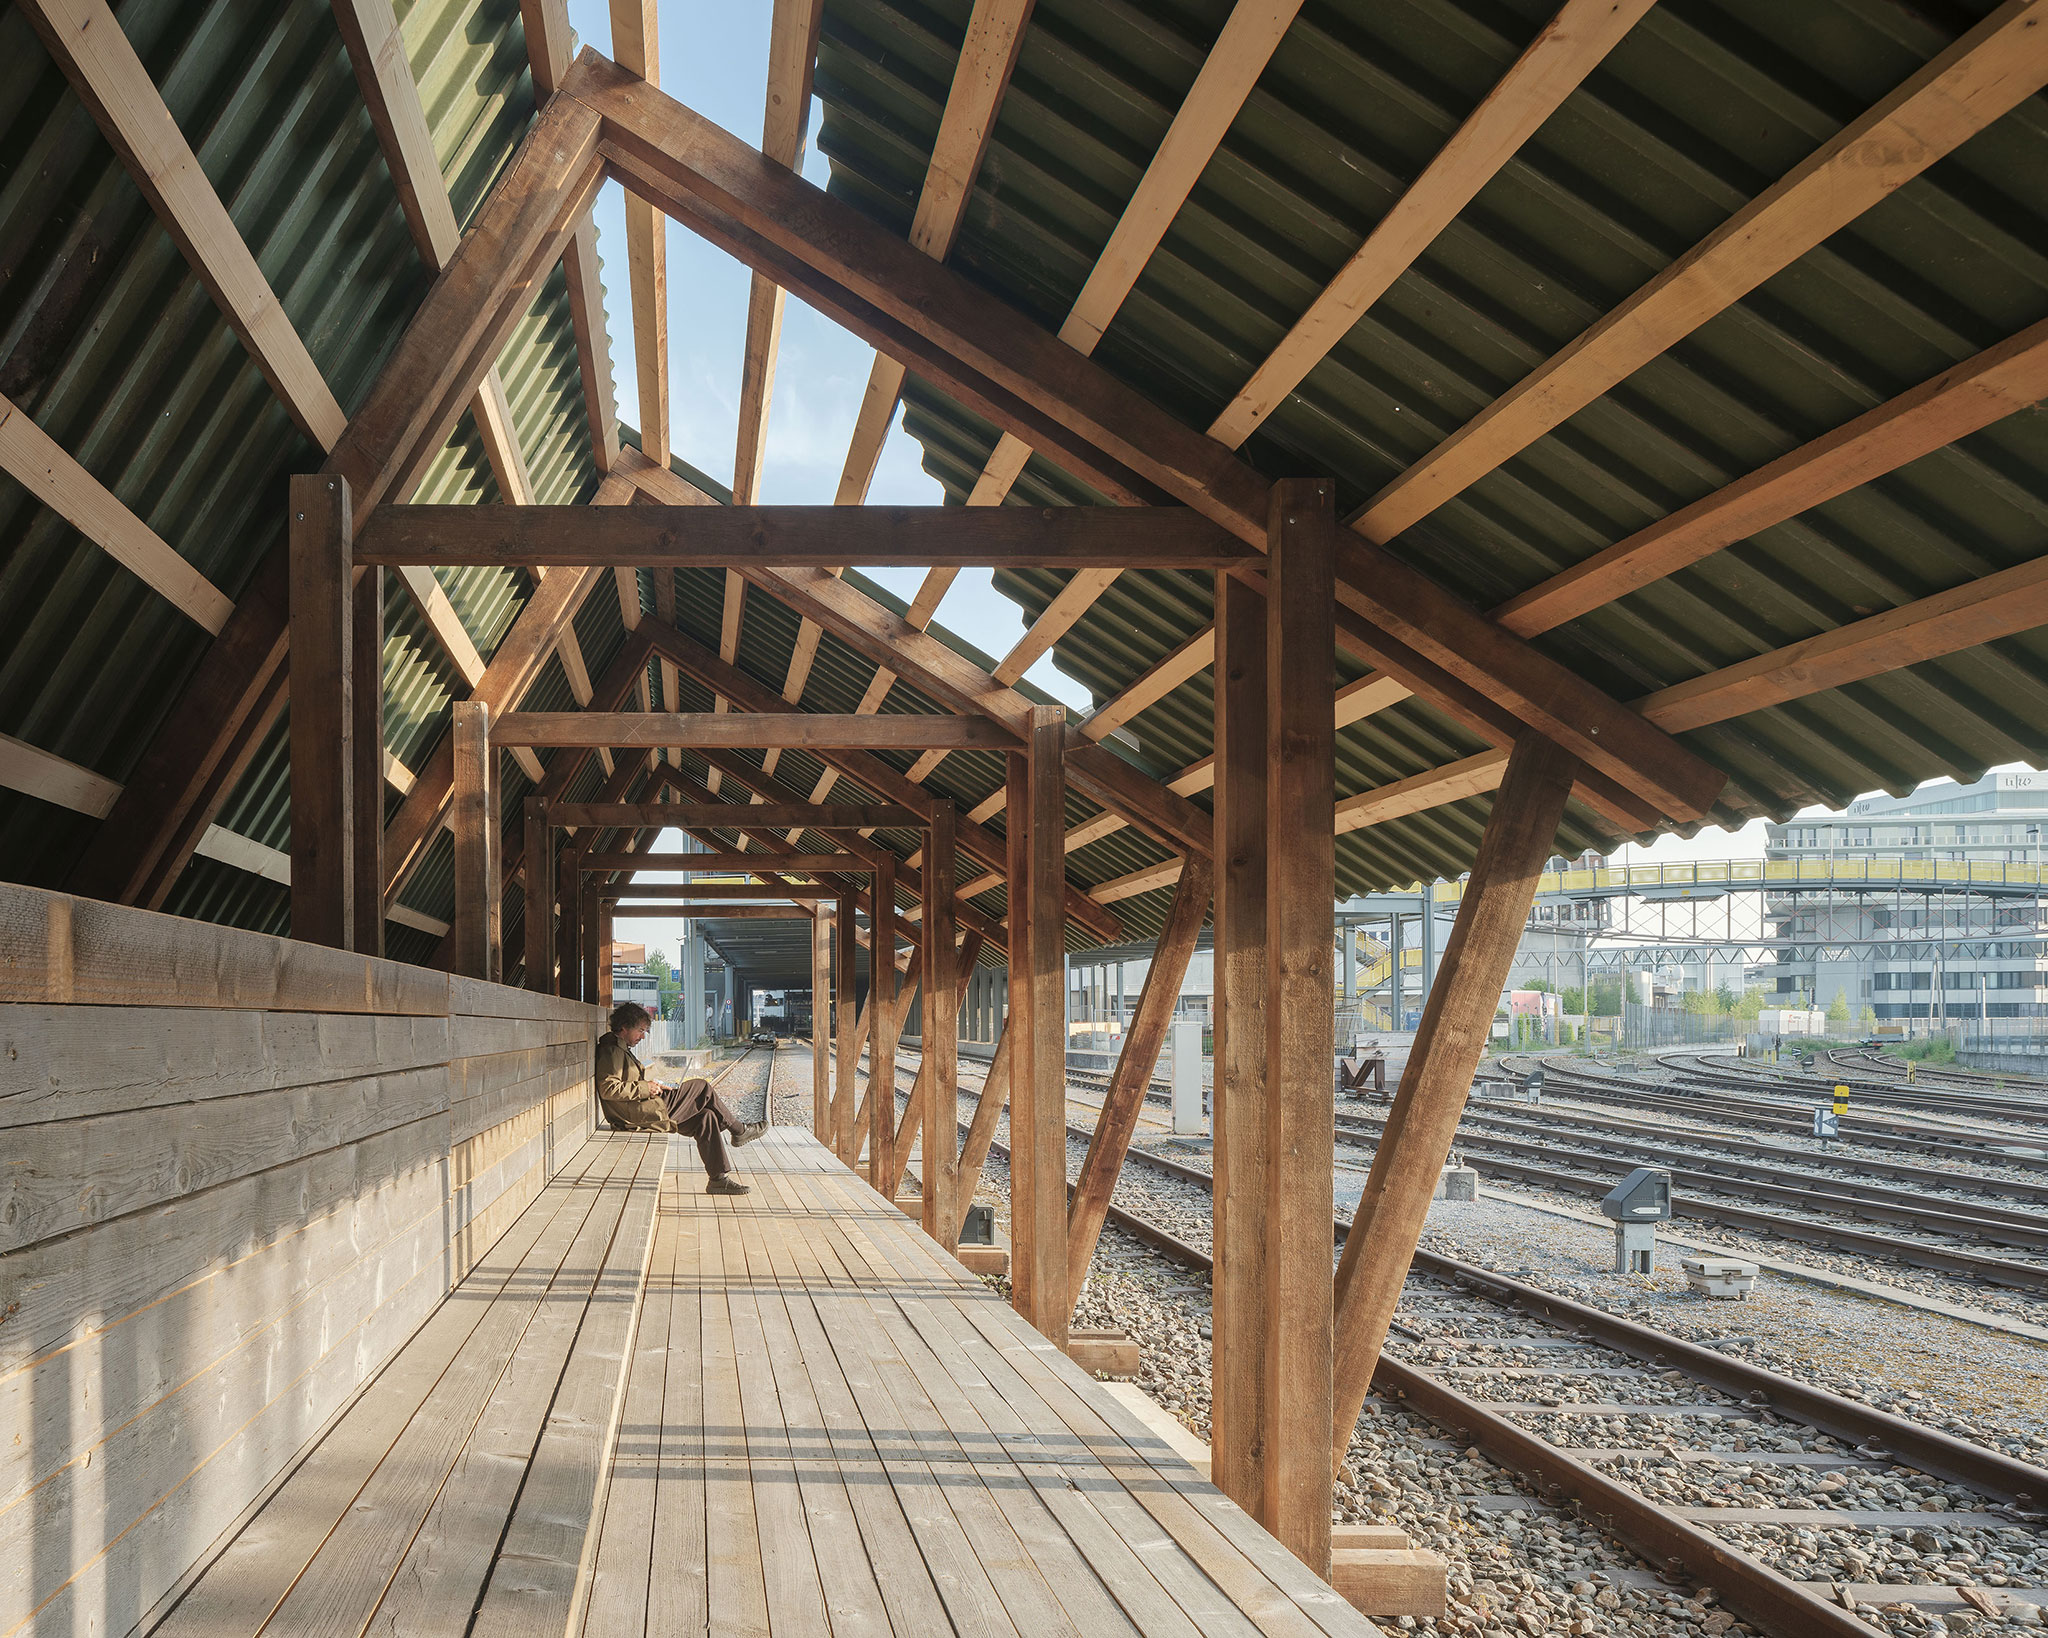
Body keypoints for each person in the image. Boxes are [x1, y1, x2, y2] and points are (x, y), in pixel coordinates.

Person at [595, 1002, 765, 1194]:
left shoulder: (621, 1048)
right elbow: (608, 1088)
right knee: (701, 1086)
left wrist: (655, 1085)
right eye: (640, 1030)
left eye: (645, 1031)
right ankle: (739, 1130)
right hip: (635, 1115)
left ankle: (718, 1179)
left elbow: (626, 1082)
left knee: (706, 1117)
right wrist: (646, 1087)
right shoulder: (612, 1050)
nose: (643, 1036)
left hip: (641, 1108)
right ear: (624, 1027)